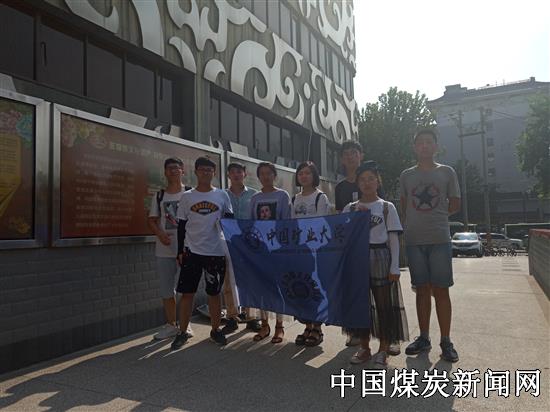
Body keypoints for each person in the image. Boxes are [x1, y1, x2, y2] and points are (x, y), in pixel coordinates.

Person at [400, 128, 461, 362]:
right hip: (414, 240)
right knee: (421, 289)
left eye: (428, 142)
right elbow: (404, 205)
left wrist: (436, 216)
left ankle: (446, 341)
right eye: (420, 142)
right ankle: (423, 338)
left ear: (436, 146)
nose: (424, 146)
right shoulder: (406, 175)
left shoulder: (447, 172)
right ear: (414, 147)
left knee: (442, 290)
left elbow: (455, 203)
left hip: (440, 239)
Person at [342, 162, 409, 368]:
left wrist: (394, 266)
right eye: (362, 179)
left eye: (371, 178)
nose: (367, 183)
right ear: (357, 183)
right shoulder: (350, 208)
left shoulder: (387, 207)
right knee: (361, 305)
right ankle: (364, 347)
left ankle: (383, 348)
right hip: (357, 258)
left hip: (380, 256)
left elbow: (394, 239)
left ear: (378, 182)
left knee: (383, 305)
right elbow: (343, 237)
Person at [171, 157, 234, 349]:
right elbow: (181, 226)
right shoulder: (187, 197)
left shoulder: (222, 195)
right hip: (191, 252)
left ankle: (215, 330)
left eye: (209, 170)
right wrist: (179, 251)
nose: (206, 173)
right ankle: (182, 332)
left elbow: (230, 221)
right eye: (202, 169)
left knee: (214, 293)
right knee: (187, 293)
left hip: (216, 251)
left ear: (214, 173)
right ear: (196, 172)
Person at [147, 157, 193, 340]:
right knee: (167, 289)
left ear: (183, 171)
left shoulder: (190, 193)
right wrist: (160, 234)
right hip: (164, 250)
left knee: (186, 290)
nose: (173, 171)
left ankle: (185, 325)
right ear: (165, 172)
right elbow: (152, 220)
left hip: (186, 250)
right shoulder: (159, 196)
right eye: (170, 168)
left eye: (177, 167)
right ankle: (171, 325)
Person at [248, 162, 291, 344]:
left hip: (278, 249)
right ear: (259, 177)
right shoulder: (255, 198)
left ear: (274, 175)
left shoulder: (282, 195)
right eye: (262, 174)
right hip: (260, 249)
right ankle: (264, 325)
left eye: (269, 173)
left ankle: (279, 326)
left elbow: (287, 222)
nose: (265, 176)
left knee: (278, 287)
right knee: (261, 288)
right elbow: (251, 223)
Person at [291, 161, 331, 347]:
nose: (304, 176)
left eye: (307, 173)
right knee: (302, 287)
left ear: (314, 176)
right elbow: (292, 225)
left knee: (316, 288)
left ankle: (317, 328)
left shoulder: (320, 197)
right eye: (301, 173)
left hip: (316, 250)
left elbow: (322, 224)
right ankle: (307, 325)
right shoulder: (295, 199)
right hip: (299, 251)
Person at [221, 162, 261, 334]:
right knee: (228, 280)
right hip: (228, 242)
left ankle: (251, 316)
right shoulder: (222, 195)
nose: (236, 175)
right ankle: (232, 317)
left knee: (250, 279)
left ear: (245, 174)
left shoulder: (254, 195)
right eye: (233, 172)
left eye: (239, 171)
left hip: (249, 242)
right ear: (228, 175)